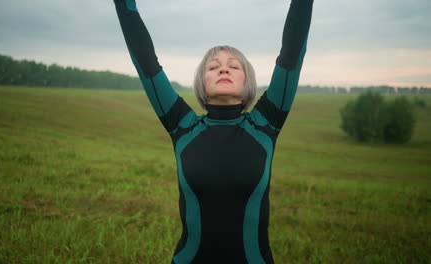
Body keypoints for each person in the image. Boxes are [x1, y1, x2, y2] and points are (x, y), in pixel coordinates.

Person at [112, 0, 313, 263]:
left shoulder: (267, 123)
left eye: (234, 65)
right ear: (201, 83)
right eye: (213, 66)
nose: (223, 68)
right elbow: (146, 61)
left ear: (247, 81)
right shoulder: (182, 126)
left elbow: (291, 52)